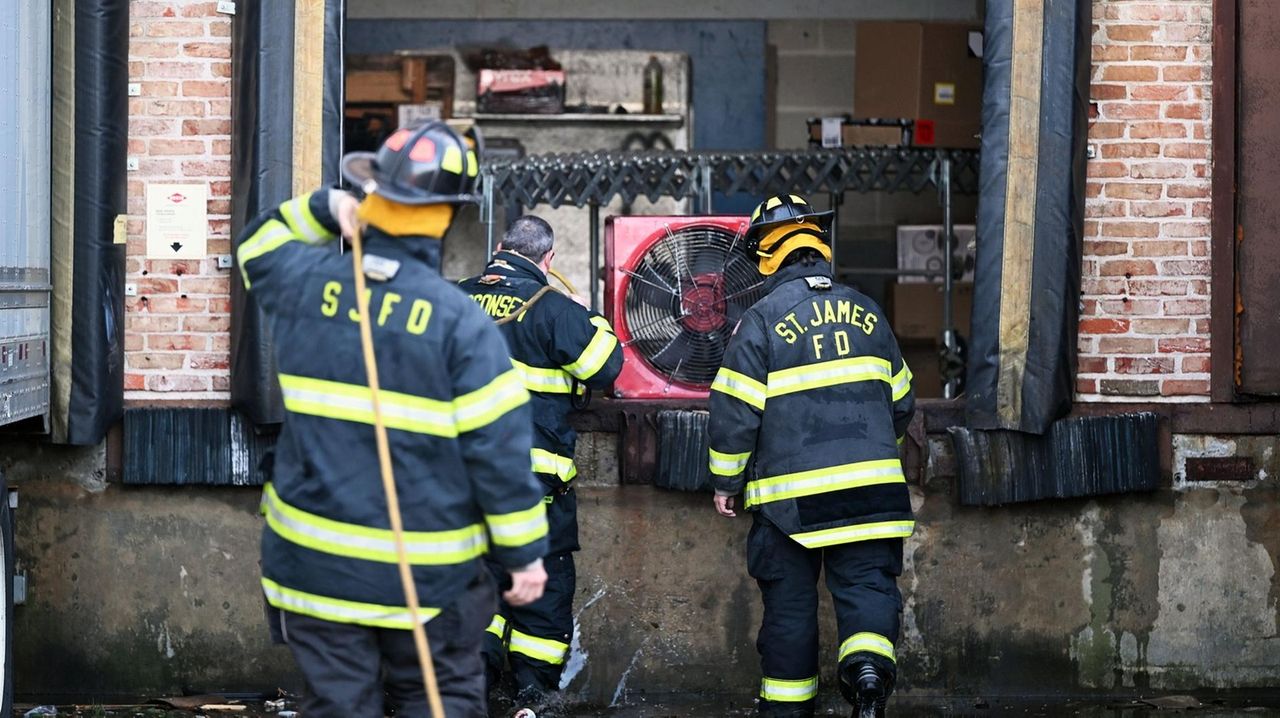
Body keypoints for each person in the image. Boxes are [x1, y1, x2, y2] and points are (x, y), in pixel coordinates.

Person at [235, 121, 550, 718]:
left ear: (373, 191)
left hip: (314, 568)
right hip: (429, 583)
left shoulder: (304, 284)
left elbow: (254, 246)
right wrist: (524, 555)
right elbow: (499, 458)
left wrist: (324, 209)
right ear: (449, 215)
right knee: (439, 703)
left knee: (339, 705)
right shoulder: (464, 327)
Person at [706, 194, 915, 718]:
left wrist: (726, 482)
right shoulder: (868, 310)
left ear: (767, 256)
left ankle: (786, 708)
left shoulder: (760, 321)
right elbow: (903, 401)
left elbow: (735, 415)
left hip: (790, 503)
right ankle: (868, 679)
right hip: (873, 492)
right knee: (867, 585)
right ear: (819, 247)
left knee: (790, 605)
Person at [458, 216, 623, 709]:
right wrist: (585, 314)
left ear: (499, 248)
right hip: (533, 488)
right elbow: (607, 366)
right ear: (547, 261)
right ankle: (532, 695)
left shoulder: (450, 300)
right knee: (544, 593)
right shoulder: (551, 308)